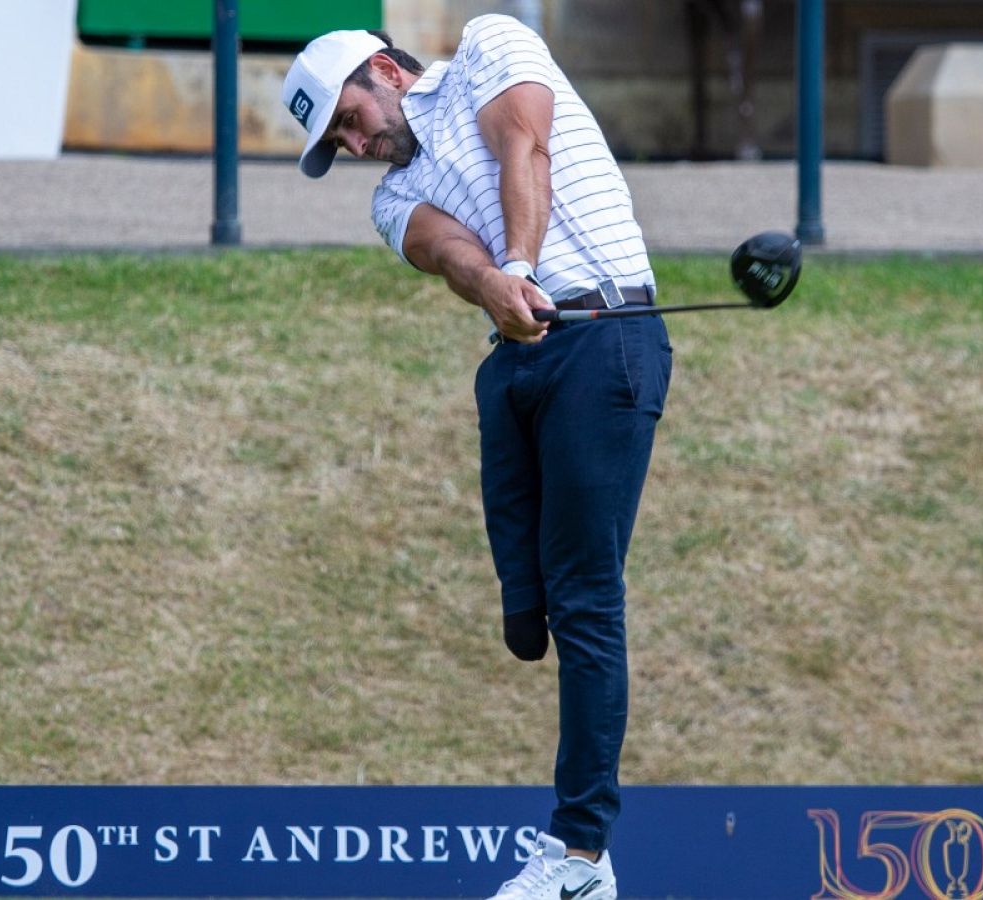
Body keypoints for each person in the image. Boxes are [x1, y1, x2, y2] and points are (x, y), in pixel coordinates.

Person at [282, 15, 671, 900]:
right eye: (337, 141)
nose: (353, 144)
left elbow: (522, 149)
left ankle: (579, 859)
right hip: (517, 365)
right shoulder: (389, 194)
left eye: (349, 119)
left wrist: (522, 263)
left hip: (603, 333)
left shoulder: (491, 43)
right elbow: (445, 248)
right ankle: (576, 842)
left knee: (584, 599)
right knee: (526, 620)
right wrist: (495, 284)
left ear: (385, 69)